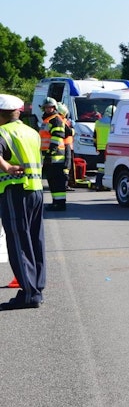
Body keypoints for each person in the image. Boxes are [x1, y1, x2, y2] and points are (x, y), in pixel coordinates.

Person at [0, 94, 46, 310]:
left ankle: (29, 294)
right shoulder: (32, 132)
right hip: (36, 190)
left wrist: (7, 167)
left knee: (18, 241)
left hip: (14, 190)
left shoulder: (3, 132)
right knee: (35, 240)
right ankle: (36, 288)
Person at [39, 97, 67, 210]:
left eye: (50, 107)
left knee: (57, 181)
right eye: (46, 107)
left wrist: (50, 152)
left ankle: (60, 204)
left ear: (54, 108)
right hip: (49, 156)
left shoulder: (55, 119)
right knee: (52, 181)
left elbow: (58, 137)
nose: (47, 109)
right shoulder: (47, 120)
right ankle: (56, 202)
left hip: (55, 157)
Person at [93, 104, 114, 191]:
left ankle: (98, 184)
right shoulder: (113, 124)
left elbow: (94, 137)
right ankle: (107, 185)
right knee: (109, 167)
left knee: (101, 168)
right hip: (110, 148)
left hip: (100, 149)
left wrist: (96, 146)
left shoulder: (97, 122)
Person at [57, 102, 76, 189]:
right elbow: (70, 132)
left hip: (61, 145)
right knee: (66, 166)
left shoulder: (55, 120)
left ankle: (64, 183)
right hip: (66, 145)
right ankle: (65, 184)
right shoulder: (63, 121)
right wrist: (73, 130)